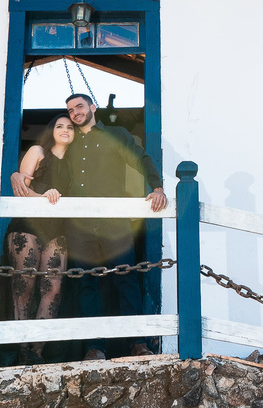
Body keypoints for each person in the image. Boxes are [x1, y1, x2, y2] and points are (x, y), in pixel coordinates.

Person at [15, 93, 167, 361]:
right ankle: (94, 347)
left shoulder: (116, 135)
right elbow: (43, 165)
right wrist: (17, 174)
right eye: (70, 110)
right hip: (78, 224)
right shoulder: (68, 143)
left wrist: (156, 187)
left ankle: (137, 342)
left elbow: (141, 159)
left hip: (114, 221)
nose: (75, 113)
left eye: (80, 107)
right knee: (85, 283)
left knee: (126, 278)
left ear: (92, 107)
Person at [3, 113, 75, 365]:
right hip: (28, 226)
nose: (65, 130)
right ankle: (23, 348)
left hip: (57, 229)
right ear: (51, 129)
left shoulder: (77, 161)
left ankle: (37, 350)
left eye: (70, 127)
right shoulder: (38, 151)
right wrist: (47, 196)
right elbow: (22, 189)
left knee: (52, 288)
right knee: (24, 285)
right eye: (60, 126)